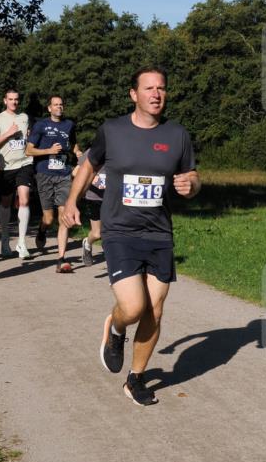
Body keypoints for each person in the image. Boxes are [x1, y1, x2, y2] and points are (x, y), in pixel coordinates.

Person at [63, 68, 200, 406]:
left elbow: (192, 176)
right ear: (133, 94)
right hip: (120, 230)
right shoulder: (112, 130)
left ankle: (135, 378)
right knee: (134, 307)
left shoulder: (177, 134)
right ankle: (116, 327)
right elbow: (89, 166)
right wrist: (71, 201)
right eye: (148, 88)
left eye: (161, 88)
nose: (156, 94)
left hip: (159, 232)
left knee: (155, 310)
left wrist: (191, 185)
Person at [27, 95, 78, 273]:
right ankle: (42, 229)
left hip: (64, 174)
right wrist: (49, 150)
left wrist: (78, 152)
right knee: (49, 219)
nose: (59, 107)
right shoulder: (41, 125)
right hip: (45, 174)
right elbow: (28, 150)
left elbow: (73, 144)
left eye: (61, 104)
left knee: (64, 216)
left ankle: (61, 259)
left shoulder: (69, 125)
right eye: (55, 105)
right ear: (49, 108)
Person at [0, 89, 33, 259]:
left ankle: (21, 243)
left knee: (24, 199)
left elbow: (27, 138)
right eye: (11, 99)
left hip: (24, 163)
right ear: (5, 100)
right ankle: (5, 239)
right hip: (5, 167)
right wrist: (8, 134)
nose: (14, 102)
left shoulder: (24, 117)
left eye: (16, 99)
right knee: (6, 203)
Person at [72, 148, 106, 266]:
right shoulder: (93, 151)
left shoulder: (120, 150)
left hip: (112, 199)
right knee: (97, 234)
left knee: (113, 231)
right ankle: (87, 243)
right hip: (94, 198)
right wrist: (93, 179)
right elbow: (75, 172)